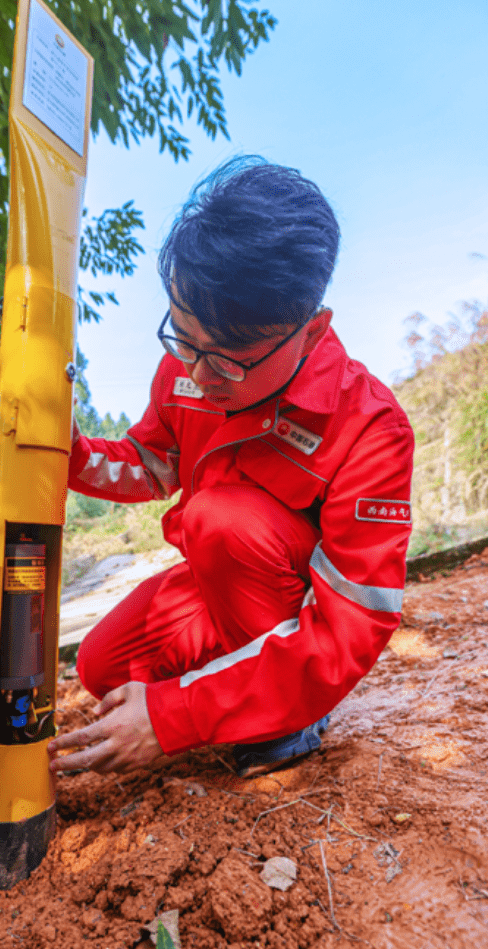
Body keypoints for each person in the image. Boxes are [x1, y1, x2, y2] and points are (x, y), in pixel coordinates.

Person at [47, 156, 414, 779]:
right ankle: (236, 691)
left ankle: (289, 715)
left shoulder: (370, 427)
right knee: (103, 666)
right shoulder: (187, 367)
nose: (197, 372)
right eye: (184, 338)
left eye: (231, 358)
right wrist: (69, 453)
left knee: (222, 518)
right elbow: (150, 464)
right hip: (211, 588)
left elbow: (351, 624)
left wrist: (173, 716)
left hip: (292, 617)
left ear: (310, 329)